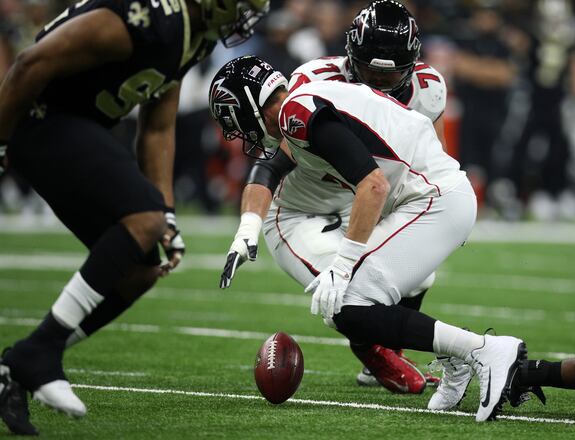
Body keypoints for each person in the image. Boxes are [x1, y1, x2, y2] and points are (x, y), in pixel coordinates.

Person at [0, 0, 271, 435]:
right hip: (41, 119)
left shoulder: (193, 36)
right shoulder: (151, 17)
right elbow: (31, 61)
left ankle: (22, 363)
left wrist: (166, 213)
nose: (249, 13)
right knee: (141, 220)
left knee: (141, 267)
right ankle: (37, 355)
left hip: (75, 126)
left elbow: (159, 126)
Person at [209, 54, 527, 422]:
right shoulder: (305, 97)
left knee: (348, 301)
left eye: (231, 116)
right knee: (361, 298)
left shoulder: (295, 112)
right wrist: (249, 226)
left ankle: (482, 351)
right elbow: (276, 170)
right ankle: (457, 356)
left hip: (430, 198)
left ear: (250, 101)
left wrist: (342, 267)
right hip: (435, 193)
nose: (234, 130)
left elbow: (373, 186)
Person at [219, 0, 448, 394]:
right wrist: (249, 224)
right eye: (365, 70)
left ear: (411, 65)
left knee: (421, 271)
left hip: (361, 200)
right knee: (351, 291)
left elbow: (423, 166)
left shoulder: (428, 91)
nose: (374, 82)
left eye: (386, 74)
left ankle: (384, 353)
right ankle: (373, 353)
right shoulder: (316, 81)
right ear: (349, 54)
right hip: (300, 210)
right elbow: (274, 160)